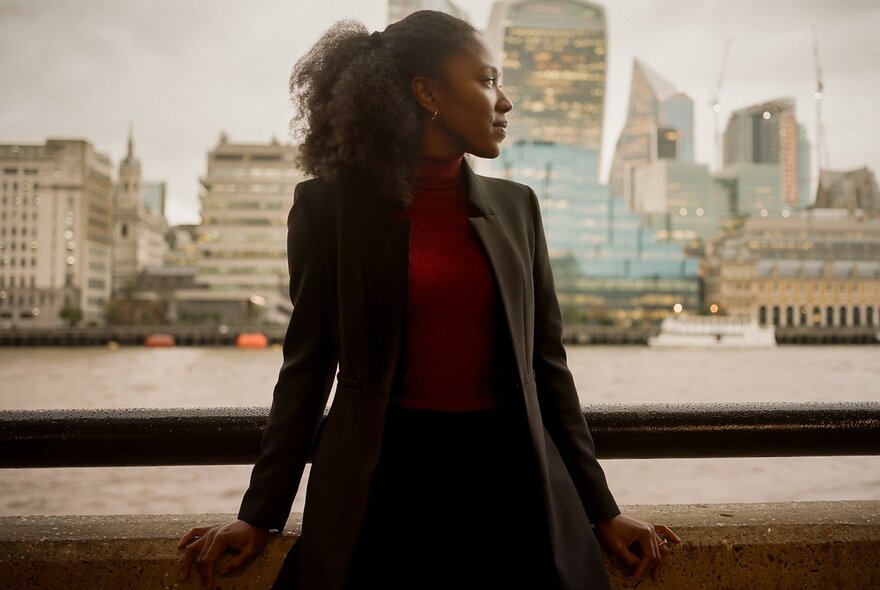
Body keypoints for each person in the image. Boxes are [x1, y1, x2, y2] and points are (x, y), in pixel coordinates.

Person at [178, 10, 680, 590]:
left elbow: (548, 370)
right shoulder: (327, 210)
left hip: (510, 487)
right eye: (488, 80)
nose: (505, 101)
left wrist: (603, 510)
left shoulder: (519, 208)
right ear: (427, 93)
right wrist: (258, 515)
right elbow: (307, 368)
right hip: (382, 488)